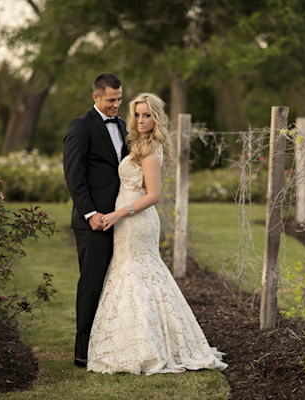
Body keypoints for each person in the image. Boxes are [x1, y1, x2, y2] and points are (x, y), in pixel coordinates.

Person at [86, 93, 228, 375]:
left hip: (137, 220)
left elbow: (153, 196)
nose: (141, 120)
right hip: (126, 219)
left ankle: (148, 345)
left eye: (147, 115)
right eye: (137, 114)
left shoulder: (151, 150)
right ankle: (133, 339)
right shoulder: (136, 143)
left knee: (139, 275)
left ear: (157, 119)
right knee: (132, 274)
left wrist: (118, 213)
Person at [62, 73, 129, 368]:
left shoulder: (124, 126)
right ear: (96, 98)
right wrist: (90, 214)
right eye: (111, 100)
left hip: (120, 218)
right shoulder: (80, 127)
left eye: (119, 99)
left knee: (116, 284)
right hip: (94, 222)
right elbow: (74, 176)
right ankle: (82, 352)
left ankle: (110, 344)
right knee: (91, 284)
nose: (116, 105)